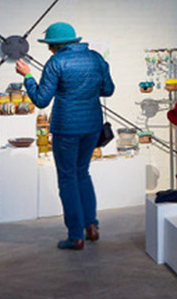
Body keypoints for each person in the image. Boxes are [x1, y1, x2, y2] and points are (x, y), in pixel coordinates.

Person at [16, 22, 114, 250]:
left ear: (55, 45)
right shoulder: (96, 59)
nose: (49, 50)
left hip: (67, 128)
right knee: (82, 173)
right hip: (92, 125)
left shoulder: (56, 62)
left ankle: (75, 235)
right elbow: (108, 90)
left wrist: (28, 75)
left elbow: (41, 99)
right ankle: (91, 226)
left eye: (50, 45)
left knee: (68, 179)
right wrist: (86, 91)